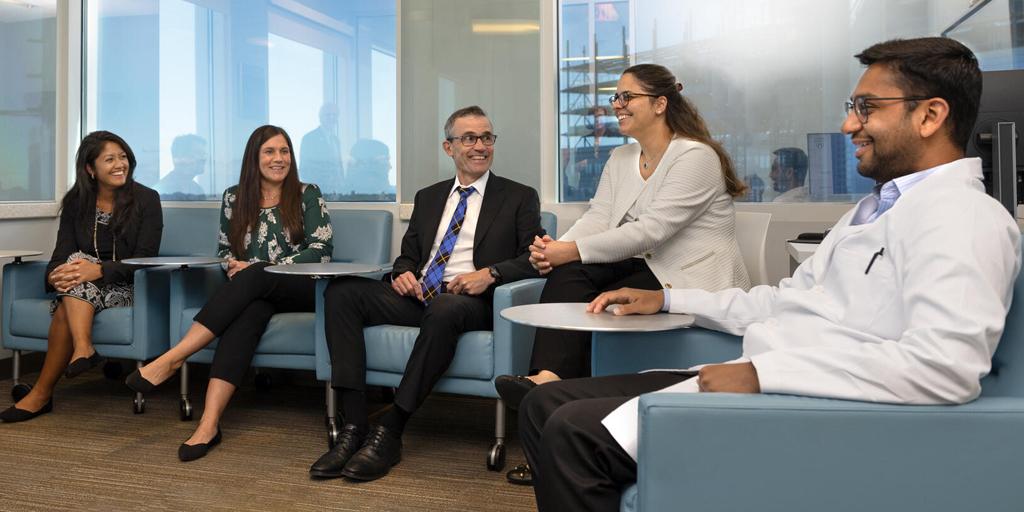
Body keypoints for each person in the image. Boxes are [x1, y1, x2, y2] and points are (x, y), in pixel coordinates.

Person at [517, 37, 1022, 512]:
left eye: (867, 108)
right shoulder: (873, 211)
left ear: (931, 114)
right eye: (853, 107)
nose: (849, 126)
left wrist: (763, 374)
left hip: (800, 402)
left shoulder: (964, 218)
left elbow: (944, 368)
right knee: (544, 403)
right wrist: (670, 301)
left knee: (571, 431)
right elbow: (782, 300)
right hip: (768, 374)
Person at [307, 105, 543, 482]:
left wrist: (491, 273)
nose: (480, 146)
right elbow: (409, 256)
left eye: (486, 137)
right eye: (469, 138)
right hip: (420, 297)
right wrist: (402, 274)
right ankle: (354, 428)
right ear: (449, 148)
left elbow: (535, 259)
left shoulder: (518, 196)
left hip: (472, 302)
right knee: (341, 293)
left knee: (447, 307)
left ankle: (392, 429)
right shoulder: (430, 196)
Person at [495, 63, 749, 407]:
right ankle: (547, 378)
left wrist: (571, 250)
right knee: (571, 272)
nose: (616, 104)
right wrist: (558, 247)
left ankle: (566, 390)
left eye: (627, 96)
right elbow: (599, 216)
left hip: (689, 278)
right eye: (616, 97)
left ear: (660, 104)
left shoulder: (695, 156)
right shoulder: (621, 156)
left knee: (587, 276)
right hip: (649, 267)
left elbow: (651, 231)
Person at [124, 125, 333, 461]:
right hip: (254, 290)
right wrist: (233, 265)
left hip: (303, 286)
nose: (279, 159)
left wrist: (257, 266)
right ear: (254, 157)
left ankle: (173, 358)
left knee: (256, 274)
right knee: (247, 315)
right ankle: (208, 424)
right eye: (270, 152)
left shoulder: (308, 193)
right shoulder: (234, 197)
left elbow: (322, 250)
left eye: (284, 152)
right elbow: (224, 250)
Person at [1, 131, 163, 423]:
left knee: (75, 276)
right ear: (91, 169)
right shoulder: (76, 202)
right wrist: (55, 278)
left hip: (127, 287)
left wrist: (98, 270)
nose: (120, 164)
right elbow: (59, 256)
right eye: (109, 159)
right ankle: (82, 348)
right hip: (81, 290)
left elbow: (145, 258)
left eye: (123, 157)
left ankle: (41, 394)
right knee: (73, 268)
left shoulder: (147, 199)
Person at [300, 103, 344, 198]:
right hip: (318, 192)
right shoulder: (309, 138)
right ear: (320, 117)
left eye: (334, 115)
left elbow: (338, 167)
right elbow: (305, 169)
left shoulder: (336, 140)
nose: (331, 117)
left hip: (336, 192)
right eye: (328, 115)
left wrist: (342, 186)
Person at [154, 134, 208, 199]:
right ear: (181, 157)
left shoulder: (198, 190)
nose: (204, 159)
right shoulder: (162, 191)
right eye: (199, 153)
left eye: (204, 154)